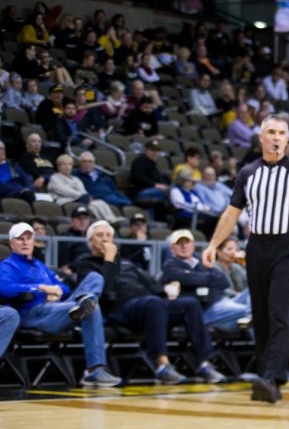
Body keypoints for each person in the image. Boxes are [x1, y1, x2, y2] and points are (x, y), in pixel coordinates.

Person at [201, 113, 289, 403]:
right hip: (257, 248)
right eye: (271, 132)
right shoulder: (247, 173)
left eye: (282, 133)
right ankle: (270, 376)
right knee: (260, 316)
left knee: (277, 311)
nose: (276, 137)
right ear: (261, 137)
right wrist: (213, 244)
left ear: (287, 138)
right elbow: (231, 213)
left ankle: (271, 376)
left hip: (288, 249)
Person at [71, 220, 224, 384]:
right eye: (99, 235)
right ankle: (162, 365)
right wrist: (108, 260)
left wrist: (168, 288)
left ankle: (204, 363)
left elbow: (152, 284)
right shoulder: (84, 264)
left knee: (189, 303)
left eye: (109, 235)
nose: (105, 239)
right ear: (90, 242)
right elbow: (105, 294)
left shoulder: (126, 262)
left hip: (148, 306)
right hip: (120, 310)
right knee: (153, 303)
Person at [0, 222, 121, 387]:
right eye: (20, 239)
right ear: (11, 244)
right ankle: (94, 369)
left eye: (29, 238)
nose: (25, 242)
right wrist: (41, 288)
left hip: (55, 310)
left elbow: (63, 287)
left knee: (95, 279)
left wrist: (55, 292)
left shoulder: (39, 265)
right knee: (93, 308)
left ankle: (95, 369)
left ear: (34, 241)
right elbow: (5, 289)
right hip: (32, 313)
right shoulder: (7, 265)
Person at [162, 229, 250, 337]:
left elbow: (222, 281)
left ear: (193, 245)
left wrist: (196, 277)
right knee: (254, 310)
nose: (184, 246)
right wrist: (206, 278)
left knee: (254, 292)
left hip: (222, 301)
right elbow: (193, 280)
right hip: (206, 309)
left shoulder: (201, 261)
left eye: (187, 242)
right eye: (179, 243)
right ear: (172, 248)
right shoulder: (170, 266)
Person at [128, 139, 169, 213]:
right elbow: (136, 177)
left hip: (151, 191)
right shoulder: (140, 161)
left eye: (157, 151)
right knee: (170, 193)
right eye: (152, 150)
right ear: (146, 150)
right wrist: (154, 185)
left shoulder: (152, 163)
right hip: (140, 192)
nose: (155, 153)